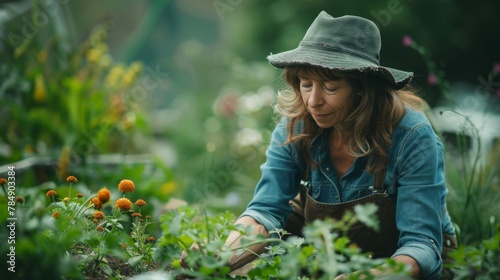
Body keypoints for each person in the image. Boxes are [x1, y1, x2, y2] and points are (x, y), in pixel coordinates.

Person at [183, 11, 457, 279]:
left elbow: (421, 246)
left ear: (363, 88)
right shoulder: (296, 126)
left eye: (330, 88)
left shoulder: (411, 136)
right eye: (305, 84)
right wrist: (221, 255)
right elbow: (265, 212)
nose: (313, 101)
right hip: (325, 256)